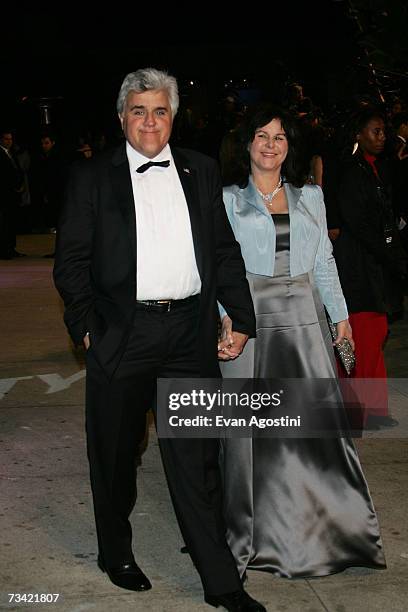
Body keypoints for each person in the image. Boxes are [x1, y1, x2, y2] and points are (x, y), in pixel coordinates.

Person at [53, 67, 267, 612]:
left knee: (198, 460)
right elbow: (71, 263)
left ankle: (220, 581)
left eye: (161, 110)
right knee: (116, 454)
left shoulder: (200, 169)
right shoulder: (92, 177)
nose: (150, 121)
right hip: (121, 335)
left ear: (174, 116)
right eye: (139, 110)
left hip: (190, 334)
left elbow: (222, 250)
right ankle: (115, 551)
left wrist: (239, 317)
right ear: (122, 116)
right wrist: (86, 331)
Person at [218, 105, 386, 579]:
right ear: (246, 143)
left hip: (305, 319)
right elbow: (217, 267)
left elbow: (325, 261)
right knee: (245, 433)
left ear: (290, 146)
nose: (271, 144)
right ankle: (247, 533)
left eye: (280, 137)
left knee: (312, 430)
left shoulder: (311, 195)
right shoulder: (228, 200)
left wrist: (342, 318)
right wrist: (226, 318)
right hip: (250, 318)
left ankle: (325, 529)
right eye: (262, 135)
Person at [334, 108, 406, 426]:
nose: (382, 137)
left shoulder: (380, 168)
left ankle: (373, 408)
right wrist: (390, 255)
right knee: (362, 335)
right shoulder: (351, 171)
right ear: (358, 135)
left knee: (376, 333)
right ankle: (359, 408)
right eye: (375, 131)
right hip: (358, 265)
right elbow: (359, 224)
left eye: (383, 131)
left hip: (375, 264)